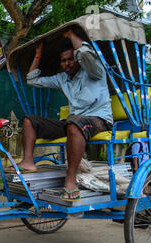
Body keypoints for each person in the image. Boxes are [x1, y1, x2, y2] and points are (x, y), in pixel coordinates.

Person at [9, 28, 113, 201]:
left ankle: (70, 178)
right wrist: (38, 54)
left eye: (71, 59)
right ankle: (28, 161)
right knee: (29, 120)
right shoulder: (62, 78)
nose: (67, 64)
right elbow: (32, 79)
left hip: (99, 119)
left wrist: (72, 35)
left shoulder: (94, 71)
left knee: (74, 124)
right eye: (63, 61)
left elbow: (86, 54)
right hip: (74, 122)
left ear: (78, 59)